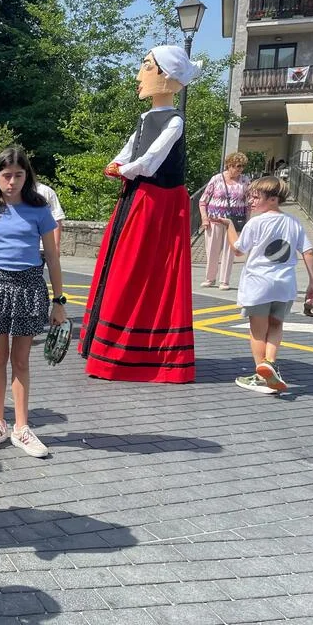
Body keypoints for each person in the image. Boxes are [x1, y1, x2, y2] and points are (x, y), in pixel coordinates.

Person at [81, 45, 201, 383]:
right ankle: (107, 344)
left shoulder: (174, 121)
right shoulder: (147, 118)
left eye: (146, 66)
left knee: (140, 270)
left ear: (166, 75)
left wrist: (123, 170)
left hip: (158, 204)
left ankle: (131, 351)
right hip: (137, 198)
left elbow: (150, 161)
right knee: (121, 266)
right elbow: (130, 150)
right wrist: (117, 164)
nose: (139, 74)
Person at [0, 146, 66, 459]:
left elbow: (52, 257)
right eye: (6, 175)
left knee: (21, 360)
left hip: (29, 288)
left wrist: (59, 301)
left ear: (27, 177)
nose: (12, 182)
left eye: (18, 175)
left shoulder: (40, 211)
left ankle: (21, 428)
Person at [213, 177, 313, 393]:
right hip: (285, 286)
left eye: (256, 197)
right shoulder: (294, 222)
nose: (251, 201)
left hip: (259, 284)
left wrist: (229, 225)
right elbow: (308, 252)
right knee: (276, 326)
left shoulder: (256, 223)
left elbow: (238, 250)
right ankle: (269, 364)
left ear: (272, 199)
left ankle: (261, 377)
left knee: (258, 331)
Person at [199, 152, 249, 291]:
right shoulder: (216, 179)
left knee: (230, 251)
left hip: (233, 221)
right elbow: (203, 200)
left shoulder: (245, 180)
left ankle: (224, 281)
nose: (240, 169)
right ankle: (210, 278)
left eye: (242, 166)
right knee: (212, 250)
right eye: (237, 166)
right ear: (229, 165)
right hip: (214, 219)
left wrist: (247, 221)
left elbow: (248, 203)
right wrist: (204, 218)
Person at [35, 182, 65, 253]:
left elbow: (56, 219)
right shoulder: (14, 192)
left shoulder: (46, 191)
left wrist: (56, 247)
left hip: (43, 248)